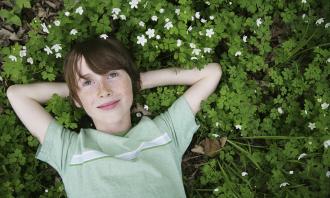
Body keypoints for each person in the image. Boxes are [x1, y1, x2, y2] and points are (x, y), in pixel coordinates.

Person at [6, 37, 222, 198]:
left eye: (112, 74)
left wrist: (137, 82)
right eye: (88, 82)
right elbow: (17, 94)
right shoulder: (70, 150)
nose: (104, 90)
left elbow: (211, 73)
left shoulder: (165, 133)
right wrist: (76, 92)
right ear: (77, 99)